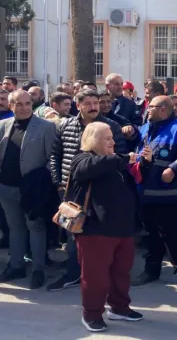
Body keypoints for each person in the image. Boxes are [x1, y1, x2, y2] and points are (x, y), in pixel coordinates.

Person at [47, 89, 129, 292]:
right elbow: (55, 155)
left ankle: (98, 278)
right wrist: (58, 181)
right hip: (70, 190)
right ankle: (74, 274)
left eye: (96, 102)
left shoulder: (111, 127)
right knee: (72, 232)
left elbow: (118, 158)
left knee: (97, 238)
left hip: (100, 191)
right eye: (88, 103)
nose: (93, 106)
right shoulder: (65, 125)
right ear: (78, 105)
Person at [71, 122, 146, 332]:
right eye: (107, 138)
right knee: (96, 276)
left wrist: (144, 164)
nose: (113, 142)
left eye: (112, 138)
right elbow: (90, 168)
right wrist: (121, 159)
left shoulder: (114, 161)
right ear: (94, 140)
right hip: (95, 230)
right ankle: (92, 314)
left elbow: (135, 181)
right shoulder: (83, 159)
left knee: (121, 272)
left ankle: (120, 308)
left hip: (123, 228)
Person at [131, 96, 177, 293]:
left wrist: (174, 169)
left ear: (162, 109)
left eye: (151, 107)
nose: (147, 110)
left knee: (172, 235)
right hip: (146, 193)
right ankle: (151, 270)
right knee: (152, 235)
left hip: (170, 196)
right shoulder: (145, 128)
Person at [0, 91, 56, 288]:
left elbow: (53, 158)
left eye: (27, 103)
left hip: (33, 190)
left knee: (36, 227)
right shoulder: (3, 126)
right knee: (14, 227)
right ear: (11, 105)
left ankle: (38, 269)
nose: (24, 107)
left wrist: (41, 180)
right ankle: (16, 266)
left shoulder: (46, 127)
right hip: (6, 187)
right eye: (19, 104)